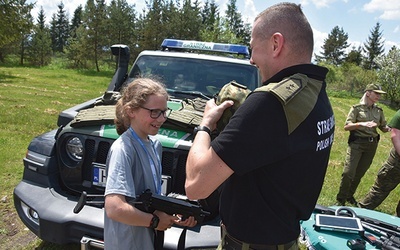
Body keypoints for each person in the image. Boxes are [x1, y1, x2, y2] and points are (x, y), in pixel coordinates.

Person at [185, 3, 334, 249]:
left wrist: (205, 125)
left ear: (276, 44)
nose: (252, 59)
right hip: (284, 237)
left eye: (253, 48)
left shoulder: (270, 102)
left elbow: (196, 186)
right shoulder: (315, 91)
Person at [104, 78, 196, 249]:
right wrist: (154, 221)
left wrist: (172, 213)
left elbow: (146, 198)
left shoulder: (155, 145)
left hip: (147, 241)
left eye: (164, 111)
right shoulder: (124, 149)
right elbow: (114, 208)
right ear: (131, 111)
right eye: (154, 112)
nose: (161, 119)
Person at [336, 83, 390, 206]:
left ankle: (349, 195)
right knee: (348, 172)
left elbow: (383, 126)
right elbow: (346, 126)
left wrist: (390, 128)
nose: (378, 96)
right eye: (376, 93)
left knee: (359, 173)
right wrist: (361, 124)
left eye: (380, 94)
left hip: (371, 146)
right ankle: (341, 199)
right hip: (357, 143)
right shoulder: (356, 109)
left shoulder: (379, 110)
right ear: (368, 93)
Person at [358, 109, 400, 217]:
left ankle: (397, 223)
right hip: (397, 162)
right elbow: (395, 135)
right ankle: (359, 214)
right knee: (380, 190)